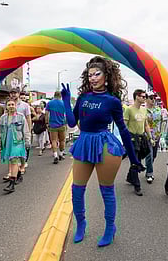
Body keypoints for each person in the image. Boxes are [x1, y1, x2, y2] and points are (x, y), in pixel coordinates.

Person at [61, 56, 144, 247]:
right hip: (84, 142)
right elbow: (72, 123)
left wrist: (133, 158)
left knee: (106, 190)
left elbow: (123, 129)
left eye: (97, 74)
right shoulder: (83, 98)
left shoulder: (112, 101)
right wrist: (66, 101)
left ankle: (110, 228)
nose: (93, 78)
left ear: (106, 76)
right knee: (77, 189)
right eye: (90, 75)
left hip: (105, 144)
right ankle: (81, 224)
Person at [0, 100, 30, 193]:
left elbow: (26, 130)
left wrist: (27, 141)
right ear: (6, 107)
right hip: (7, 142)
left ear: (15, 106)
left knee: (14, 160)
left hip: (17, 142)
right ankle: (18, 174)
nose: (11, 106)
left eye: (12, 104)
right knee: (11, 160)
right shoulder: (3, 118)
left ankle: (11, 183)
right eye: (9, 105)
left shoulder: (20, 116)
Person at [124, 89, 153, 196]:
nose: (144, 98)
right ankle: (137, 186)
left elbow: (146, 125)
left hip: (141, 138)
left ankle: (130, 177)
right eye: (143, 96)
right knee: (135, 161)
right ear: (137, 97)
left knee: (139, 158)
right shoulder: (129, 110)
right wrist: (126, 139)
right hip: (132, 138)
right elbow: (124, 125)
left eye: (145, 97)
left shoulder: (144, 110)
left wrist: (150, 137)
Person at [9, 88, 32, 175]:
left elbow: (28, 118)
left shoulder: (25, 105)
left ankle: (22, 165)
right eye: (11, 93)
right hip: (11, 131)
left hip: (22, 130)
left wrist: (28, 131)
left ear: (18, 94)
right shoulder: (8, 105)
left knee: (22, 148)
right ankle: (13, 170)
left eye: (15, 93)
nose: (13, 95)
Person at [144, 93, 162, 183]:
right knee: (149, 155)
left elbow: (163, 121)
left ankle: (148, 167)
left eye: (154, 98)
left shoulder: (159, 110)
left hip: (157, 135)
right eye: (151, 98)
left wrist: (161, 133)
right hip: (147, 136)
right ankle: (149, 173)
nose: (153, 100)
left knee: (154, 155)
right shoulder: (143, 110)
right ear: (146, 99)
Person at [46, 91, 67, 164]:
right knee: (62, 140)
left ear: (54, 95)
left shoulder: (50, 103)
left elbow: (46, 114)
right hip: (62, 124)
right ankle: (61, 154)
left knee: (54, 140)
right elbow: (66, 114)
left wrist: (47, 123)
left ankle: (55, 156)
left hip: (53, 125)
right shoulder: (63, 103)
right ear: (60, 96)